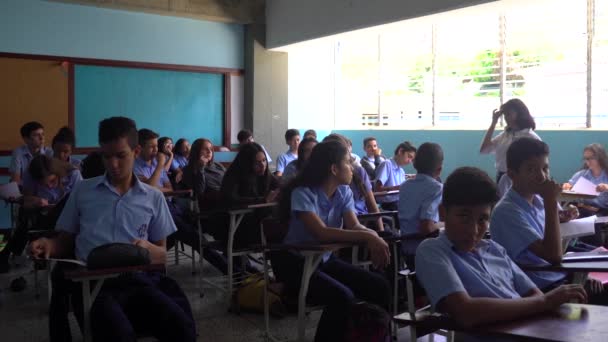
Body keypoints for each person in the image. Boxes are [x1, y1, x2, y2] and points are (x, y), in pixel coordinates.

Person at [29, 117, 195, 342]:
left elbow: (162, 254)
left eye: (120, 155)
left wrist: (148, 249)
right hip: (95, 288)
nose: (113, 164)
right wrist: (49, 245)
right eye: (106, 156)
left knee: (180, 326)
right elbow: (66, 241)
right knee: (118, 333)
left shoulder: (153, 197)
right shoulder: (83, 192)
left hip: (140, 282)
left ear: (136, 151)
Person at [416, 167, 588, 330]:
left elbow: (536, 295)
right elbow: (465, 312)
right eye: (464, 216)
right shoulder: (432, 251)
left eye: (483, 219)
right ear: (443, 213)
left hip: (528, 331)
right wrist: (543, 303)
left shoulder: (495, 250)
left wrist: (542, 302)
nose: (474, 230)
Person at [273, 140, 391, 342]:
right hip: (294, 261)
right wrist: (368, 236)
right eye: (348, 162)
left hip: (323, 259)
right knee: (341, 297)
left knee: (379, 286)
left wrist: (374, 236)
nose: (353, 168)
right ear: (334, 169)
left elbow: (354, 226)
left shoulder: (344, 192)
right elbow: (322, 233)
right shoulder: (302, 193)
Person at [490, 138, 607, 303]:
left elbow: (552, 235)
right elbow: (554, 256)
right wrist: (551, 202)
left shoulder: (537, 199)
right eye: (531, 169)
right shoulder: (507, 211)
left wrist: (562, 217)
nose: (541, 176)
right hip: (541, 287)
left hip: (560, 274)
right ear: (512, 174)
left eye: (545, 168)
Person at [0, 155, 82, 273]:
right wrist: (35, 201)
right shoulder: (30, 175)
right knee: (27, 215)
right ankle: (17, 251)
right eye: (44, 184)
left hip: (69, 216)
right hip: (42, 215)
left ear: (58, 173)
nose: (49, 186)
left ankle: (9, 251)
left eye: (53, 181)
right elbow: (27, 201)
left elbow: (80, 202)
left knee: (68, 199)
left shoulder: (73, 175)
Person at [219, 142, 280, 248]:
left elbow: (279, 187)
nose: (262, 165)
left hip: (259, 221)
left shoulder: (266, 175)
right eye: (257, 163)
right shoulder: (233, 176)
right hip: (238, 225)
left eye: (264, 160)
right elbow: (232, 200)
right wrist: (263, 200)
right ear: (247, 163)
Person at [398, 142, 443, 264]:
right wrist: (445, 225)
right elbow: (426, 227)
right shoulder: (436, 188)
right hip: (425, 251)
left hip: (406, 249)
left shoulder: (404, 186)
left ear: (415, 164)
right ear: (439, 170)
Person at [480, 98, 541, 183]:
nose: (506, 118)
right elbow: (484, 149)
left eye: (509, 114)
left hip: (521, 179)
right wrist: (494, 123)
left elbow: (540, 163)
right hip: (501, 177)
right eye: (504, 115)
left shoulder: (531, 137)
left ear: (519, 115)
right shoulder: (505, 135)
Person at [563, 143, 608, 215]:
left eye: (592, 158)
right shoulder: (581, 175)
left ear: (600, 157)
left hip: (604, 211)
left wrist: (606, 187)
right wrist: (567, 186)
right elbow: (569, 186)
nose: (588, 161)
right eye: (586, 158)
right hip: (584, 210)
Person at [375, 141, 417, 211]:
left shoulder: (401, 171)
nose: (410, 161)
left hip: (399, 202)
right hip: (388, 204)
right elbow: (377, 189)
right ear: (400, 151)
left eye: (412, 159)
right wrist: (398, 188)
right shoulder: (387, 164)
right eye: (409, 156)